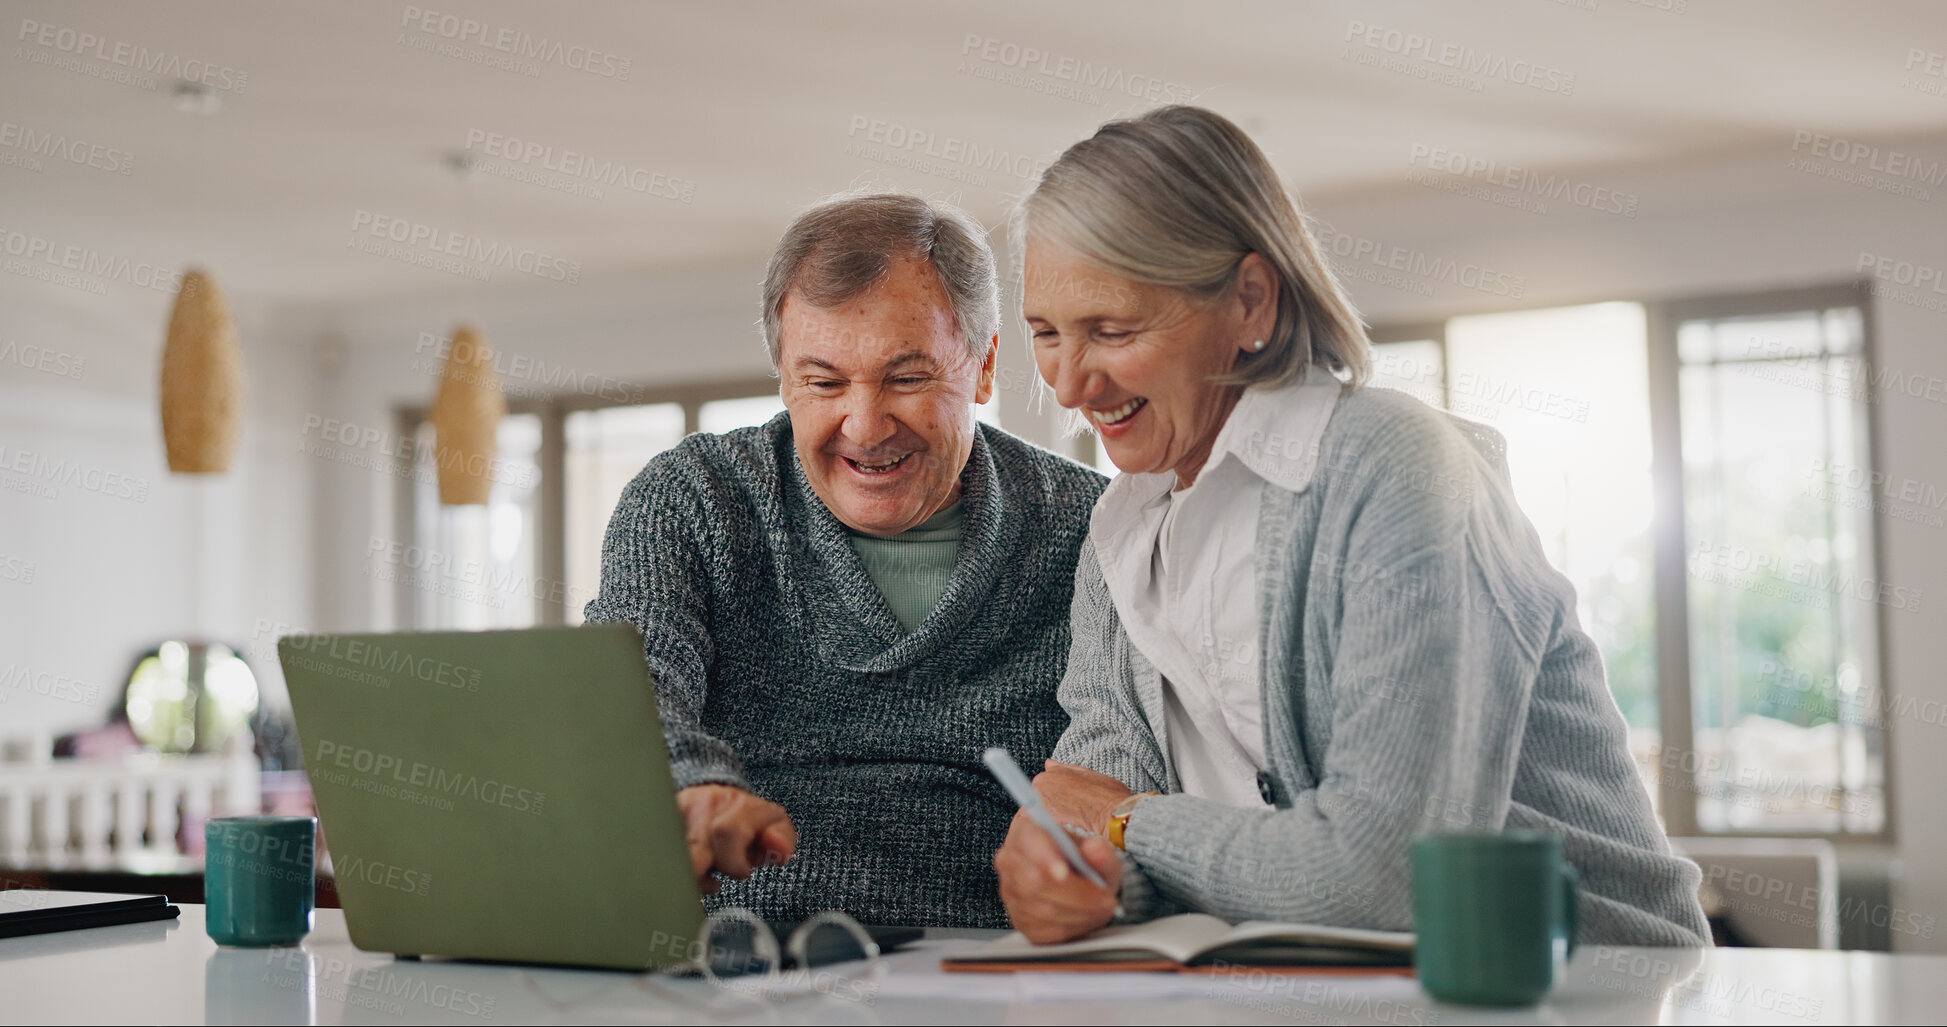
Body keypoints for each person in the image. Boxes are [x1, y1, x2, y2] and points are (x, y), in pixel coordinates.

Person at [992, 106, 1709, 946]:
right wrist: (1080, 877)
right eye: (1045, 334)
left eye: (1111, 330)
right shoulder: (1120, 532)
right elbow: (1089, 801)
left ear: (1250, 300)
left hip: (1573, 984)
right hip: (1306, 988)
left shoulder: (1398, 470)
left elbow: (1389, 877)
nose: (1070, 385)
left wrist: (1130, 824)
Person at [583, 193, 1105, 927]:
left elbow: (1122, 779)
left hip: (983, 959)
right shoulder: (693, 498)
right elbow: (627, 683)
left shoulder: (1092, 529)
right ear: (783, 377)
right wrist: (686, 786)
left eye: (906, 378)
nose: (863, 425)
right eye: (823, 382)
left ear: (983, 368)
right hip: (733, 957)